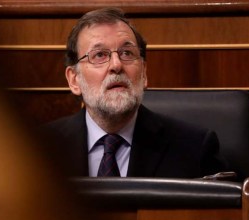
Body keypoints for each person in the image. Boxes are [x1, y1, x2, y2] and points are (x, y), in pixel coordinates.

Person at [43, 8, 228, 178]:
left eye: (127, 53)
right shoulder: (37, 151)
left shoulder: (194, 149)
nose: (116, 65)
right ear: (74, 79)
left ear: (144, 73)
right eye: (99, 55)